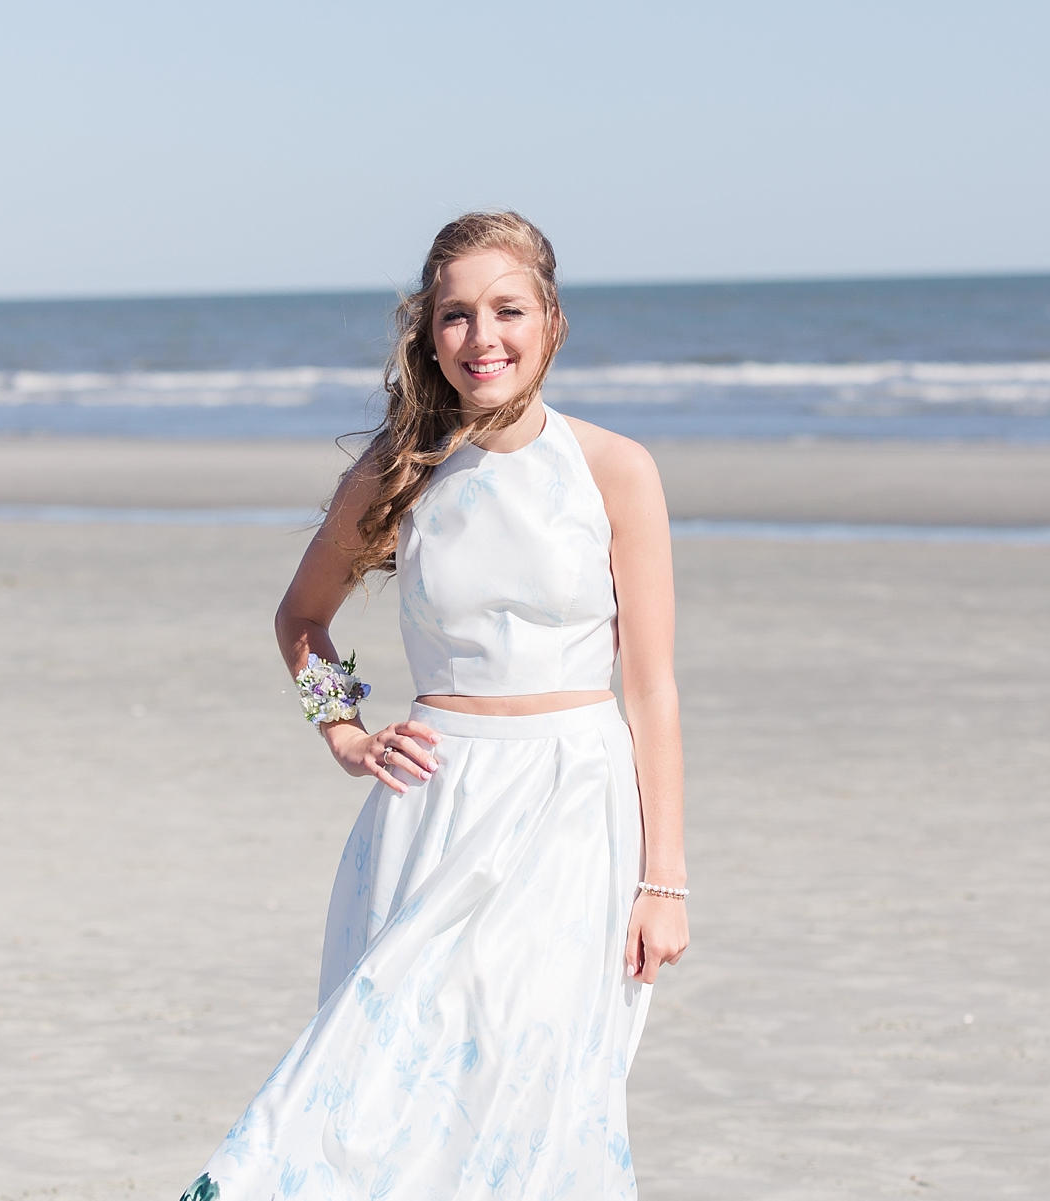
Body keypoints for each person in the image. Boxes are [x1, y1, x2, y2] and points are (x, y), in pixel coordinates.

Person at [179, 212, 689, 1201]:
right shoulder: (400, 470)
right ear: (428, 333)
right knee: (380, 1089)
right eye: (456, 315)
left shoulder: (615, 467)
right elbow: (301, 615)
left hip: (577, 810)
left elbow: (654, 686)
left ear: (551, 321)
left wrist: (664, 882)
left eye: (507, 309)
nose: (482, 336)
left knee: (540, 1088)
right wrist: (343, 731)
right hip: (431, 806)